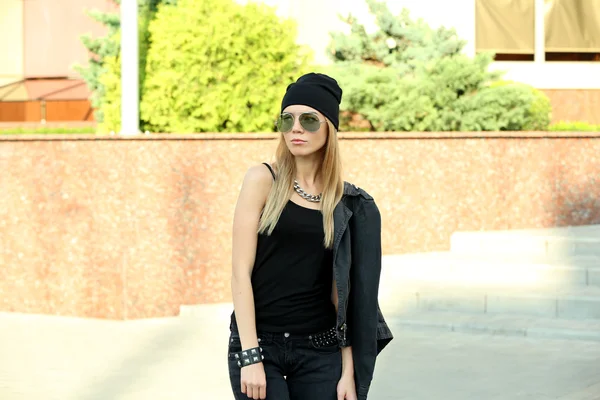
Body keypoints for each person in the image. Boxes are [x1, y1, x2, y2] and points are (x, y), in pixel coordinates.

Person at [228, 72, 393, 400]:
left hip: (320, 349)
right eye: (287, 120)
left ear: (329, 128)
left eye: (309, 120)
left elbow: (340, 295)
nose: (296, 128)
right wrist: (250, 356)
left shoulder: (344, 202)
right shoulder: (263, 179)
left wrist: (348, 371)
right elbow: (239, 273)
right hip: (260, 344)